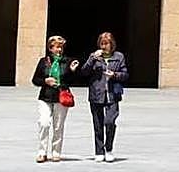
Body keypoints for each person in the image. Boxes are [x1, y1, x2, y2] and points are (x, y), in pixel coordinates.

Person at [30, 35, 80, 163]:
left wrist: (72, 71)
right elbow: (35, 80)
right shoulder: (43, 62)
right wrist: (46, 81)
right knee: (44, 122)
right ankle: (42, 152)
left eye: (61, 47)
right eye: (56, 47)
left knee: (58, 126)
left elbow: (72, 81)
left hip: (61, 97)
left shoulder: (68, 61)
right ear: (50, 48)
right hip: (45, 96)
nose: (59, 50)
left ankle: (56, 152)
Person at [82, 31, 128, 163]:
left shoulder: (119, 57)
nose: (104, 46)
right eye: (101, 43)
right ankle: (99, 151)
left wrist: (114, 75)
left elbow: (125, 75)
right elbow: (84, 72)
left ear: (111, 44)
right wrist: (91, 59)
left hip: (113, 94)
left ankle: (108, 149)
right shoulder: (94, 57)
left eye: (106, 43)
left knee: (109, 121)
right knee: (97, 124)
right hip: (96, 94)